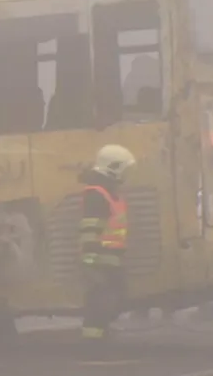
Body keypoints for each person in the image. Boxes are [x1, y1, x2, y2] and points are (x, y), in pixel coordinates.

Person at [78, 144, 136, 341]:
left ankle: (100, 334)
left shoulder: (108, 193)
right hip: (101, 262)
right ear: (113, 168)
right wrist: (91, 265)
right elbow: (90, 231)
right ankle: (93, 342)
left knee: (113, 301)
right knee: (99, 303)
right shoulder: (97, 195)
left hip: (112, 260)